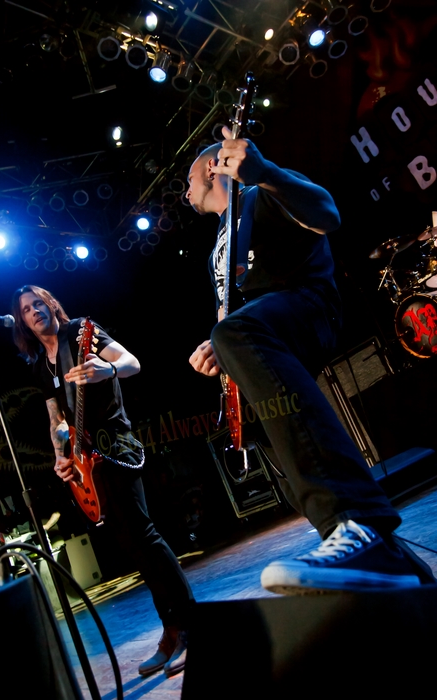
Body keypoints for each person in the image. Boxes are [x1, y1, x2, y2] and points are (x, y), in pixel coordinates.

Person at [188, 126, 435, 593]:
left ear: (211, 168)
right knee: (281, 445)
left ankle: (356, 519)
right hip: (259, 337)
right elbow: (231, 314)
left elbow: (327, 215)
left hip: (308, 305)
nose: (185, 192)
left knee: (235, 334)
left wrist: (266, 173)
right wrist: (219, 345)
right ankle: (388, 562)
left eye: (188, 180)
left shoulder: (263, 191)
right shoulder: (217, 246)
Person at [11, 284, 194, 676]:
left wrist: (106, 369)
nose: (34, 311)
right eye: (26, 309)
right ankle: (172, 628)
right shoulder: (40, 365)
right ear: (22, 321)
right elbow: (57, 420)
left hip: (114, 446)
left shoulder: (80, 332)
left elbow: (132, 362)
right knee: (132, 545)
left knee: (145, 536)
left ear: (51, 305)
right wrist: (61, 456)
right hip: (86, 463)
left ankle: (189, 626)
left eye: (38, 303)